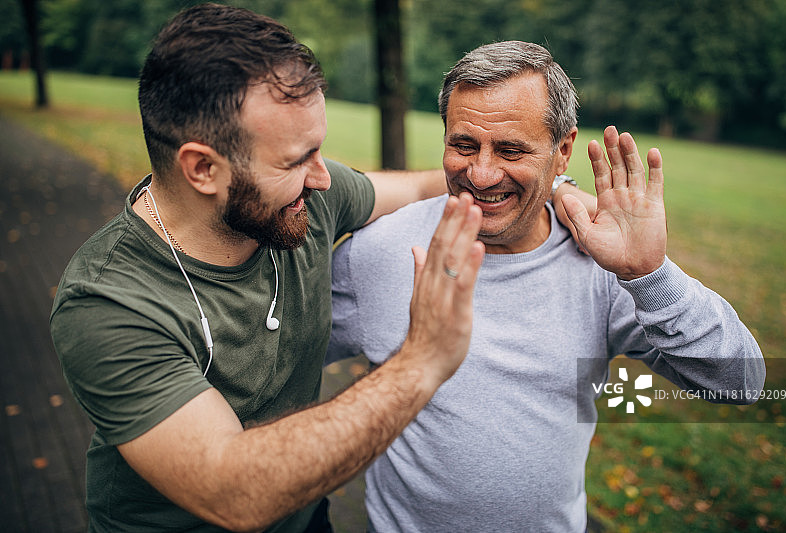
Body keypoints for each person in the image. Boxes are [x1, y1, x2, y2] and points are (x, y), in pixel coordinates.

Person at [48, 4, 494, 532]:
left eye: (318, 150)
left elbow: (422, 187)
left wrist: (555, 191)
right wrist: (421, 361)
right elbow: (232, 492)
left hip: (304, 518)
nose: (323, 178)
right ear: (203, 169)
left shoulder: (303, 201)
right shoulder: (108, 302)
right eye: (294, 160)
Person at [326, 41, 765, 532]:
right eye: (463, 144)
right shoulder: (379, 250)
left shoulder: (602, 266)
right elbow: (283, 363)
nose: (481, 173)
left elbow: (742, 383)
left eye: (511, 149)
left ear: (562, 151)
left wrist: (649, 274)